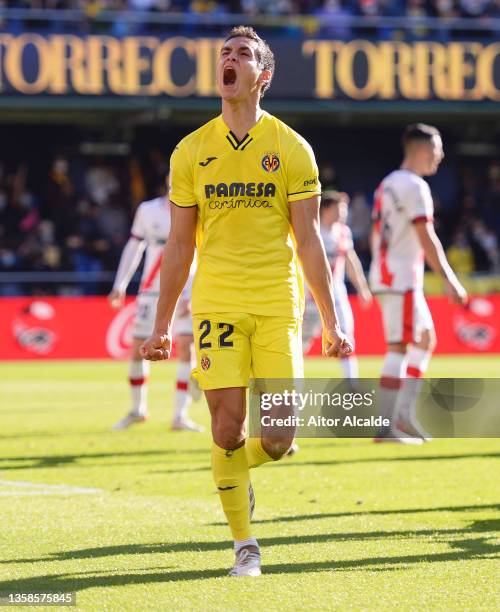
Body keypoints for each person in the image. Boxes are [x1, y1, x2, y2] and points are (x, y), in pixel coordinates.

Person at [140, 25, 352, 577]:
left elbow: (308, 241)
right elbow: (180, 243)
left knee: (279, 437)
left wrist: (331, 319)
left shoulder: (291, 148)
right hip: (217, 304)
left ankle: (231, 472)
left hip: (278, 302)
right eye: (224, 54)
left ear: (264, 76)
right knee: (227, 429)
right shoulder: (191, 151)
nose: (229, 61)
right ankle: (245, 546)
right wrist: (163, 324)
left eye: (243, 55)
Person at [369, 123, 467, 443]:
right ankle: (386, 427)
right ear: (423, 149)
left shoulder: (387, 184)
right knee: (399, 346)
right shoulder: (416, 186)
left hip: (388, 273)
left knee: (424, 338)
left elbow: (376, 234)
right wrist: (449, 280)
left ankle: (403, 415)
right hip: (401, 278)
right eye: (437, 150)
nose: (440, 157)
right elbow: (427, 237)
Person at [108, 182, 203, 432]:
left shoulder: (199, 208)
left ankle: (180, 415)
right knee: (139, 348)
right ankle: (137, 409)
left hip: (184, 292)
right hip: (151, 292)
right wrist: (120, 284)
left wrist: (193, 291)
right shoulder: (148, 210)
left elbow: (202, 252)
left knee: (187, 347)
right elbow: (134, 246)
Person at [304, 190, 372, 377]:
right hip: (309, 298)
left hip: (337, 297)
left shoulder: (343, 232)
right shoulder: (311, 230)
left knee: (346, 339)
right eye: (338, 208)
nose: (343, 212)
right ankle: (290, 388)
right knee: (300, 343)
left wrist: (362, 288)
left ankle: (352, 386)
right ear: (325, 209)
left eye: (344, 208)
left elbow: (351, 261)